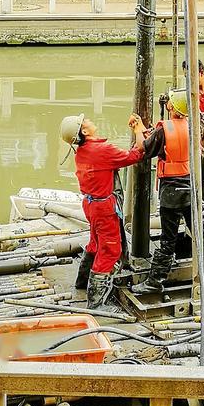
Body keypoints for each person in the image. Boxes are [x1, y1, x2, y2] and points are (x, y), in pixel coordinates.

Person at [130, 88, 204, 295]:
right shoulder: (195, 126)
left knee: (168, 239)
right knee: (199, 235)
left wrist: (138, 128)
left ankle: (155, 281)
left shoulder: (164, 129)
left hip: (171, 192)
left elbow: (144, 148)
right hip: (190, 187)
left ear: (170, 107)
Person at [60, 113, 145, 309]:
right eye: (85, 121)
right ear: (84, 130)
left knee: (95, 243)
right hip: (104, 208)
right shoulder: (102, 150)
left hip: (91, 205)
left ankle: (82, 283)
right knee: (109, 251)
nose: (89, 120)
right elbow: (136, 154)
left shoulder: (82, 151)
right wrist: (139, 130)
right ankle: (96, 303)